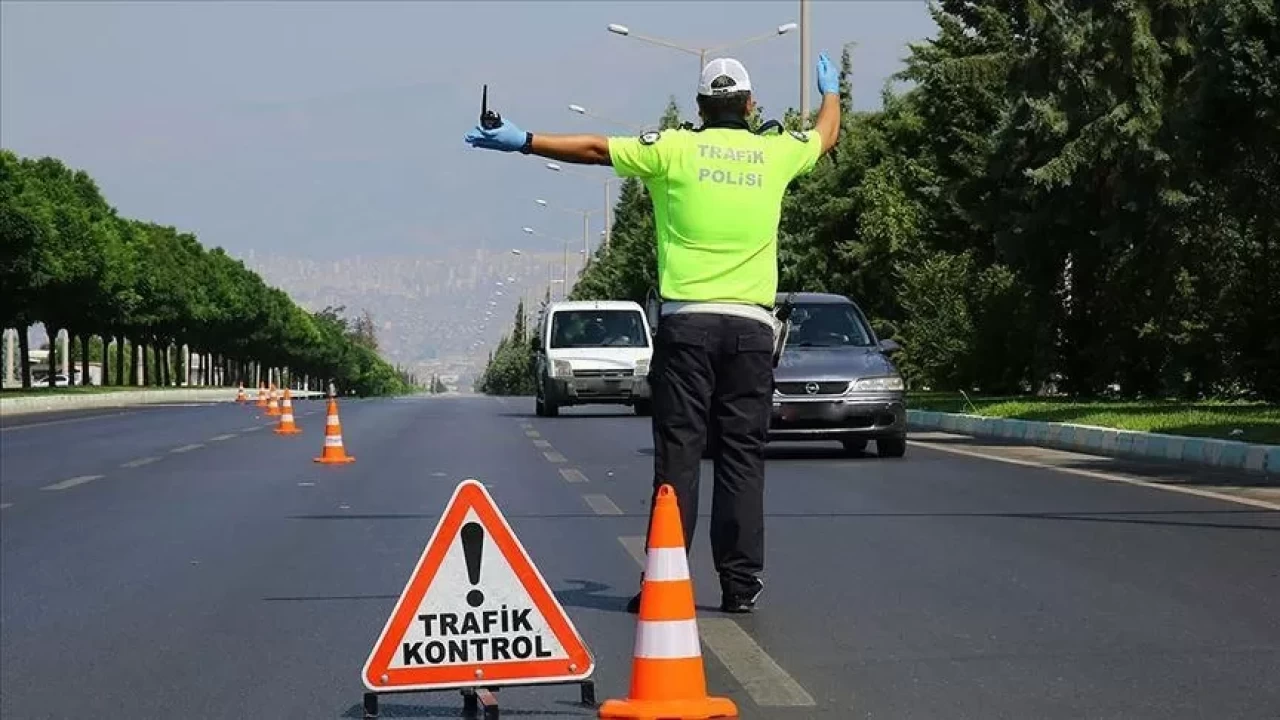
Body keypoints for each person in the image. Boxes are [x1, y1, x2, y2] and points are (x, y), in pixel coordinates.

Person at [465, 54, 843, 613]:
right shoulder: (776, 152)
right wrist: (830, 93)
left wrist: (524, 141)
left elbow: (595, 150)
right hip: (750, 330)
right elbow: (825, 136)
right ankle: (739, 586)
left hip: (686, 327)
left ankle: (666, 578)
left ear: (698, 107)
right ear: (749, 105)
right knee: (742, 456)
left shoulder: (672, 149)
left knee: (679, 455)